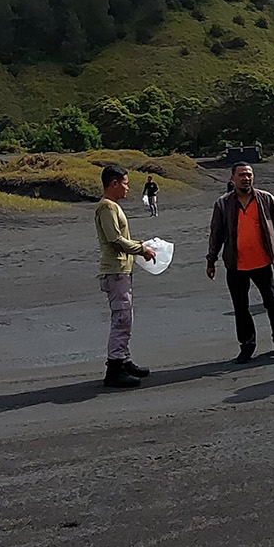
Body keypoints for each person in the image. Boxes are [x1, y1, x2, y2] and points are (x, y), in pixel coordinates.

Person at [206, 163, 274, 363]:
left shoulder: (266, 199)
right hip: (235, 265)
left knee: (272, 303)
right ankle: (247, 345)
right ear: (232, 178)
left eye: (249, 175)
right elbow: (216, 234)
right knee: (241, 307)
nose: (246, 178)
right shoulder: (223, 204)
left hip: (263, 262)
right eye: (241, 175)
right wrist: (211, 260)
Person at [95, 165, 156, 388]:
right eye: (125, 183)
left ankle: (124, 359)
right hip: (115, 271)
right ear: (113, 183)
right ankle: (115, 368)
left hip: (121, 270)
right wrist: (142, 249)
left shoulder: (112, 206)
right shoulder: (107, 208)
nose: (127, 188)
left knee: (126, 316)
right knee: (121, 318)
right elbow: (115, 240)